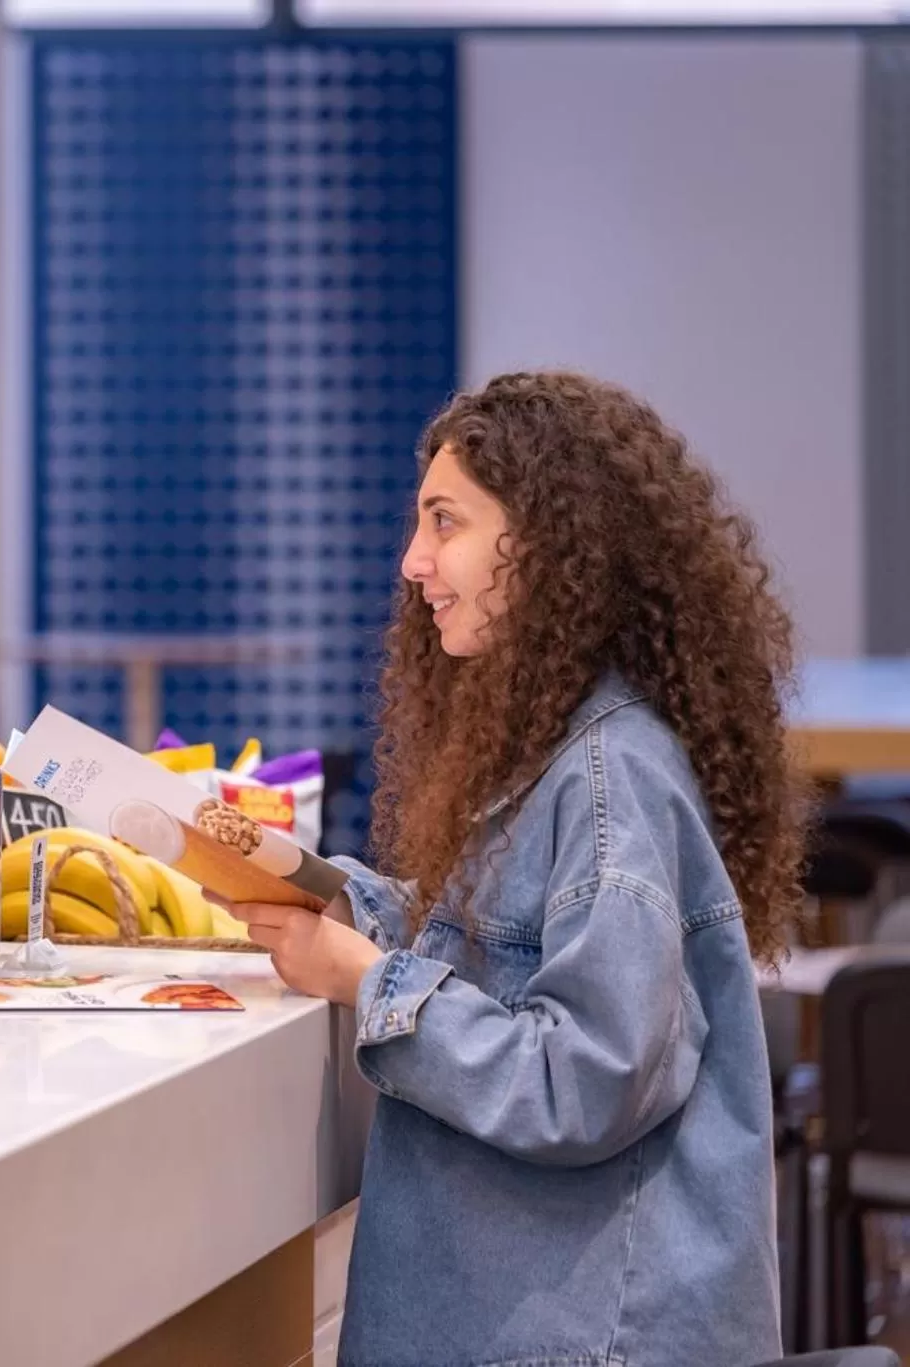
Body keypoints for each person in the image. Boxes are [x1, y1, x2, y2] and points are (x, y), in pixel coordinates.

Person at [226, 372, 807, 1366]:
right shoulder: (567, 750)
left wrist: (364, 979)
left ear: (543, 543)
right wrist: (335, 901)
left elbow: (581, 1079)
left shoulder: (606, 775)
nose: (413, 561)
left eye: (443, 522)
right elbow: (502, 938)